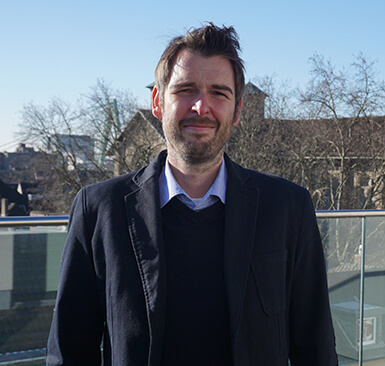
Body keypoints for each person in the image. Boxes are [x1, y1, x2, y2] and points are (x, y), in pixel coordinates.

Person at [46, 23, 337, 365]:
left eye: (219, 93)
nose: (201, 107)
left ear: (238, 111)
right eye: (186, 90)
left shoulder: (288, 207)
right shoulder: (99, 210)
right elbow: (69, 350)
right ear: (157, 102)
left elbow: (314, 348)